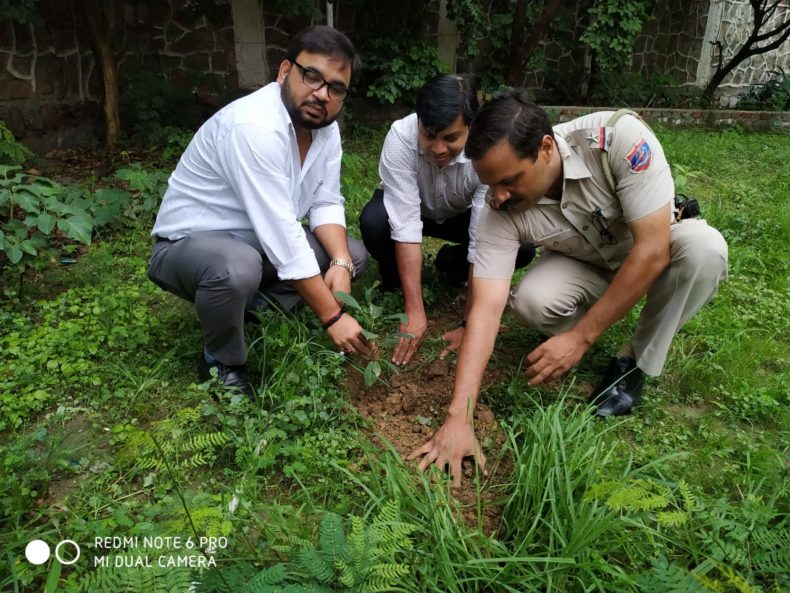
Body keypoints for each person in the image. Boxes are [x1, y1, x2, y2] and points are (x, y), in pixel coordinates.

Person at [409, 91, 728, 485]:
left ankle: (633, 360)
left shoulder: (617, 139)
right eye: (490, 183)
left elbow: (651, 251)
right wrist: (459, 416)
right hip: (584, 263)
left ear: (546, 149)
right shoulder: (499, 209)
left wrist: (580, 338)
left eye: (509, 180)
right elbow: (487, 310)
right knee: (529, 301)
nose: (499, 195)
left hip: (653, 246)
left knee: (705, 251)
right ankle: (602, 317)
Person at [147, 26, 371, 399]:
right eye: (311, 76)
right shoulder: (254, 127)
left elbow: (326, 201)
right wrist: (333, 315)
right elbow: (283, 234)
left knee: (353, 254)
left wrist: (342, 263)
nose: (321, 94)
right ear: (284, 71)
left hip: (259, 244)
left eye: (336, 88)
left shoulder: (325, 132)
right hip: (188, 247)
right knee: (237, 268)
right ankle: (222, 363)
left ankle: (252, 311)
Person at [359, 75, 534, 366]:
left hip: (460, 216)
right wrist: (414, 311)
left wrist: (469, 323)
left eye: (451, 138)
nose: (438, 148)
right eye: (429, 135)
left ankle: (451, 265)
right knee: (374, 221)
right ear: (418, 124)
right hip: (416, 209)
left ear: (471, 127)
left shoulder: (485, 150)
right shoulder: (400, 138)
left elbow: (482, 237)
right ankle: (393, 279)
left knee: (521, 246)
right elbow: (405, 224)